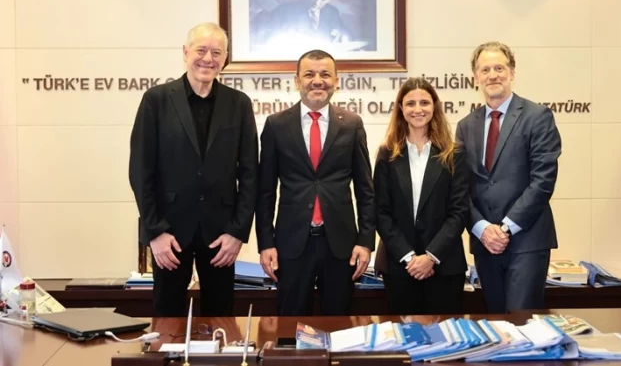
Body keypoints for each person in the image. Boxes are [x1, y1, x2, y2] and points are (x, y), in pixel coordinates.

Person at [129, 22, 258, 317]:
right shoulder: (156, 100)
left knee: (221, 319)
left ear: (224, 59)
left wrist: (237, 232)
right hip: (170, 234)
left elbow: (250, 174)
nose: (208, 59)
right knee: (167, 319)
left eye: (217, 52)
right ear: (185, 52)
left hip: (221, 235)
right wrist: (155, 232)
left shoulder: (239, 104)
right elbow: (140, 171)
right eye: (201, 50)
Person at [255, 49, 375, 316]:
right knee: (291, 324)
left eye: (325, 74)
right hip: (291, 244)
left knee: (339, 323)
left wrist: (365, 241)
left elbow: (365, 190)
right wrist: (266, 243)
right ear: (297, 81)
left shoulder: (352, 124)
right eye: (309, 74)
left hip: (341, 246)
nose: (317, 81)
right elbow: (265, 192)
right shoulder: (276, 125)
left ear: (336, 81)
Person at [455, 41, 562, 313]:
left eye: (499, 68)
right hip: (484, 243)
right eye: (485, 70)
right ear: (475, 77)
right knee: (495, 320)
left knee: (520, 321)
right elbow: (459, 188)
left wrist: (504, 229)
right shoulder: (466, 126)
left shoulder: (537, 117)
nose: (493, 75)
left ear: (512, 72)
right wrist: (481, 228)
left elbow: (543, 181)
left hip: (526, 240)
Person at [374, 77, 469, 315]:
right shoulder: (387, 154)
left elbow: (459, 212)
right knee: (403, 336)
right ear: (401, 109)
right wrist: (409, 257)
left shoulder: (454, 154)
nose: (418, 109)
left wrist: (430, 256)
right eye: (410, 103)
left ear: (434, 106)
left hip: (444, 266)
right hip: (399, 266)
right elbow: (381, 212)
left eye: (424, 102)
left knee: (446, 336)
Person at [255, 0, 348, 47]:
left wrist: (343, 37)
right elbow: (265, 38)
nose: (317, 2)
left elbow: (345, 35)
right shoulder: (283, 11)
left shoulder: (332, 12)